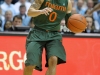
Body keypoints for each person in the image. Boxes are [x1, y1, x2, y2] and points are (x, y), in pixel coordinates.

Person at [23, 0, 72, 75]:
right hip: (37, 32)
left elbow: (70, 23)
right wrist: (40, 11)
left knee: (53, 59)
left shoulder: (67, 3)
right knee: (31, 64)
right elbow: (29, 12)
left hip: (54, 34)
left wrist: (78, 27)